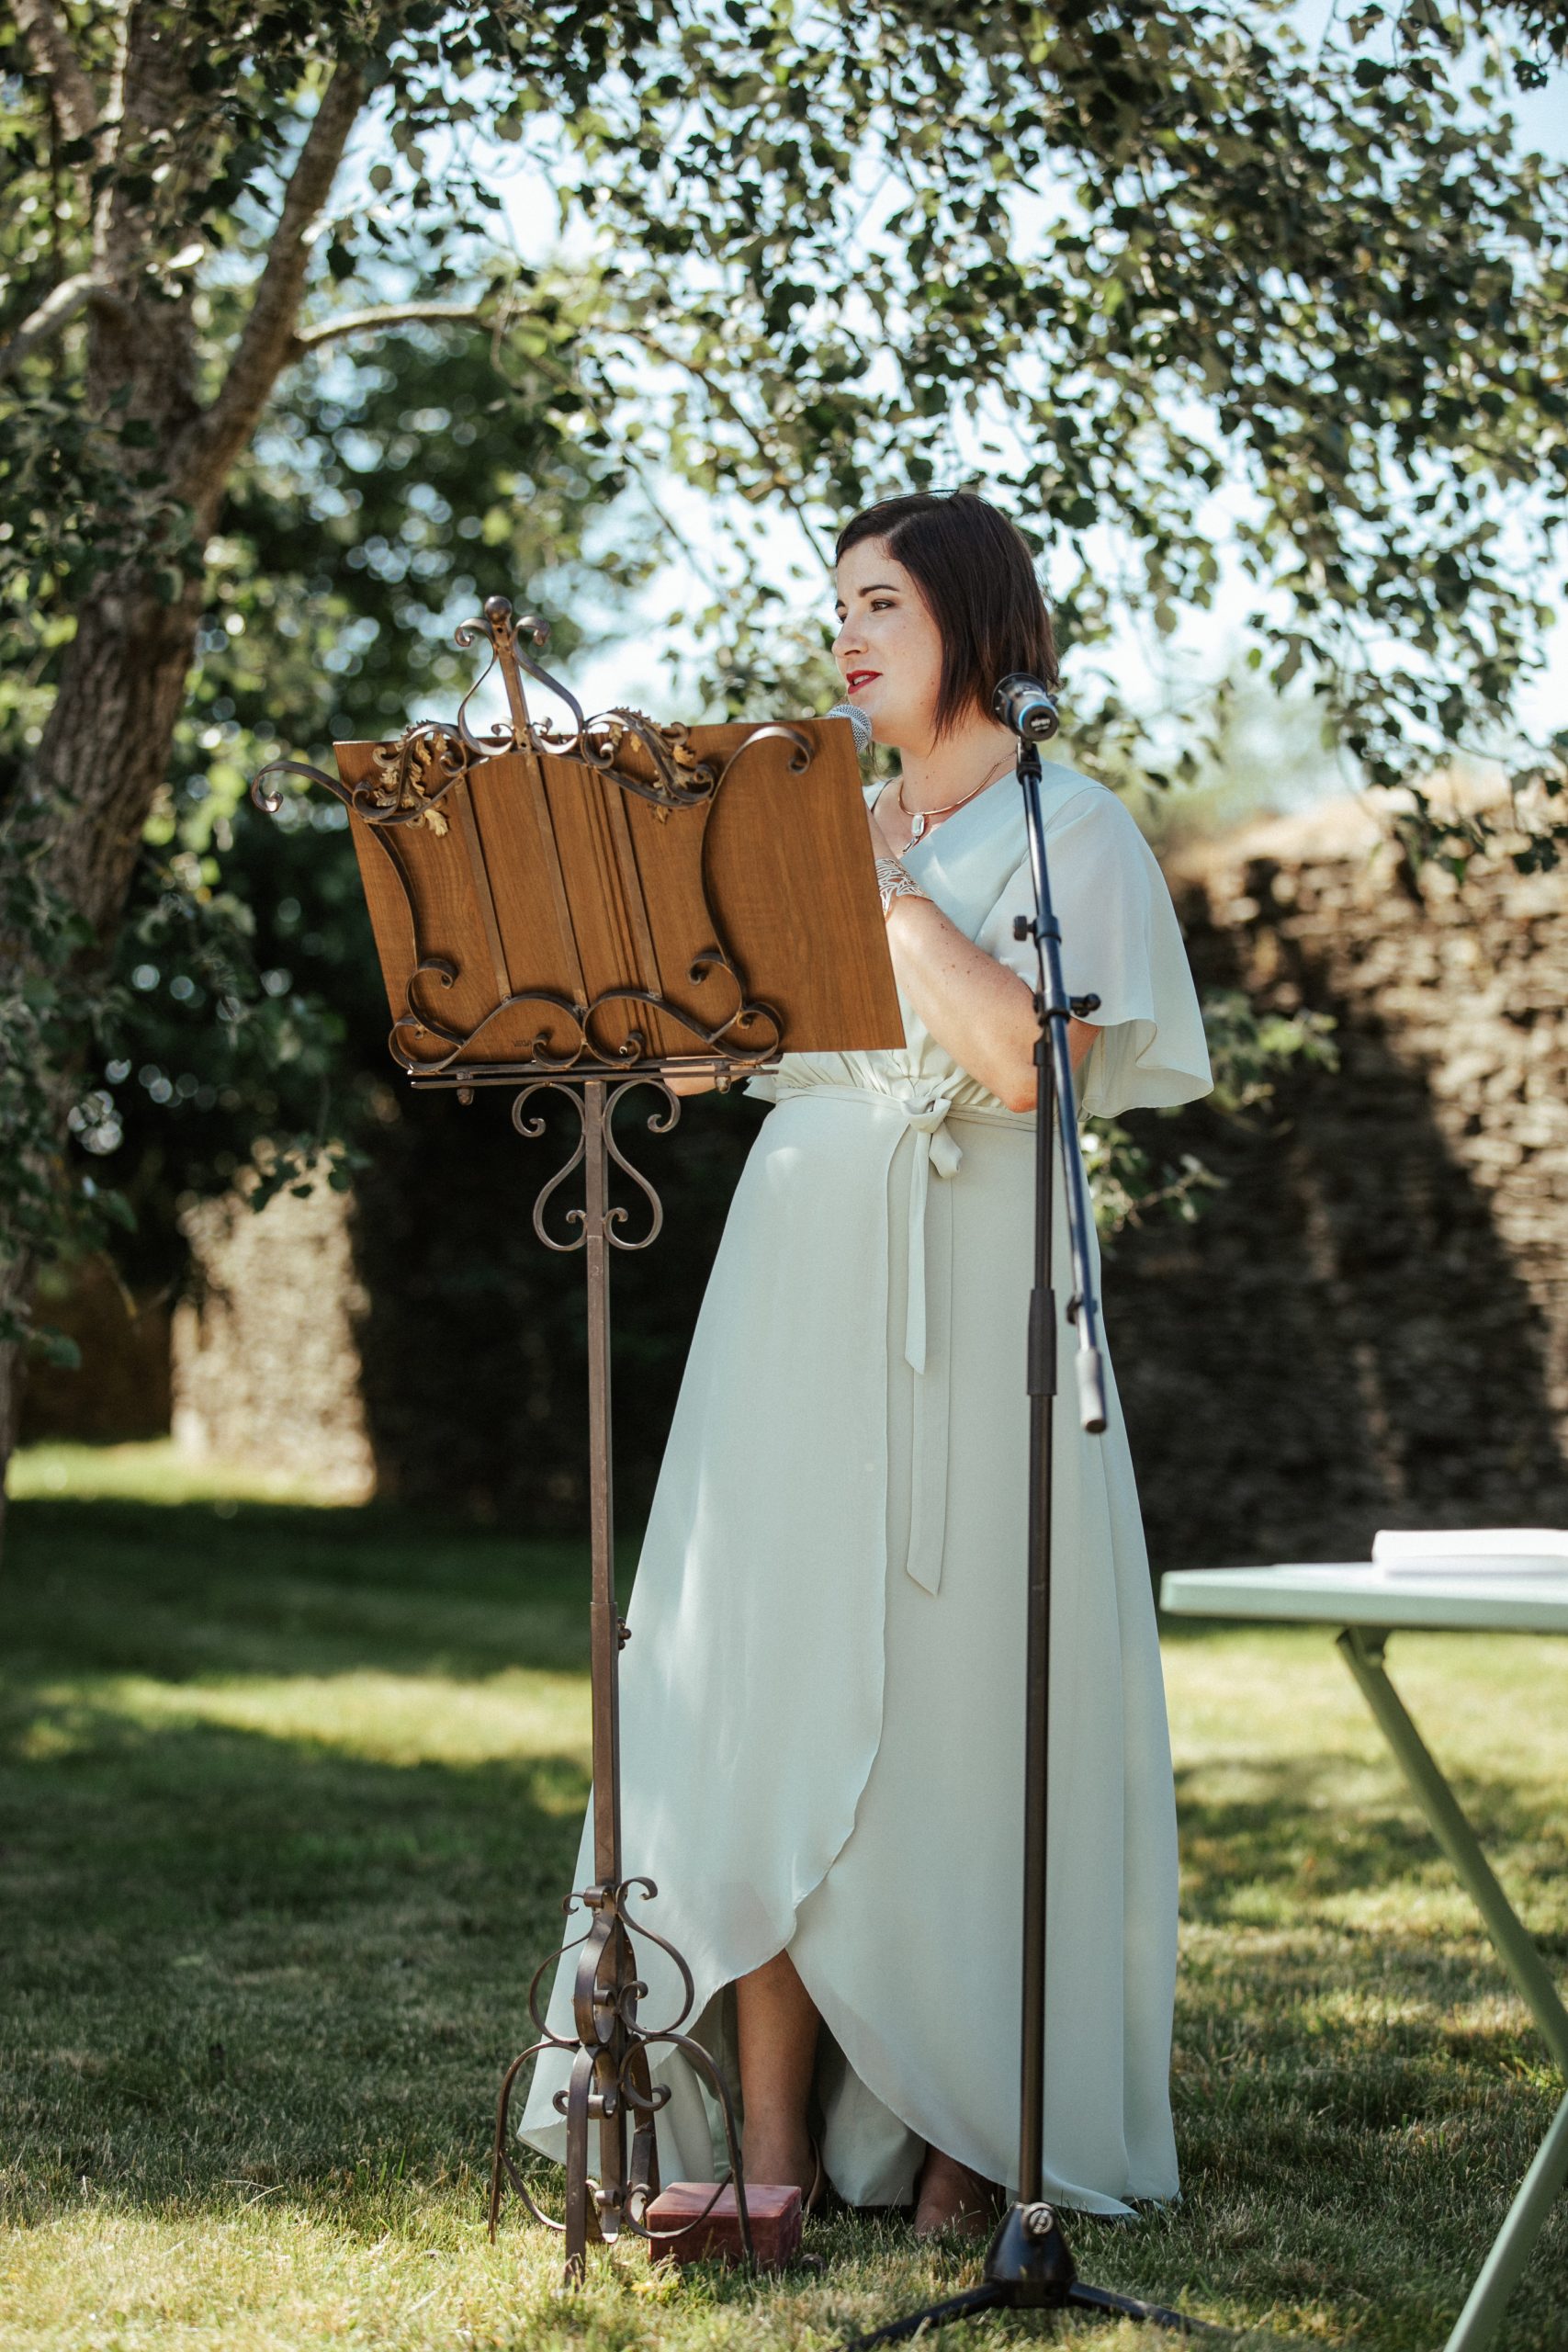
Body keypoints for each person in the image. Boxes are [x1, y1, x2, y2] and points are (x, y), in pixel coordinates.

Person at [518, 490, 1212, 2237]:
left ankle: (967, 2145)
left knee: (972, 1704)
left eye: (883, 602)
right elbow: (687, 1069)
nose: (848, 634)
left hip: (979, 1285)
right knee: (758, 1684)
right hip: (797, 1270)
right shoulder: (806, 822)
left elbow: (1027, 1067)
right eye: (838, 603)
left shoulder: (1074, 831)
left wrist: (889, 896)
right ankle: (760, 2166)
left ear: (975, 623)